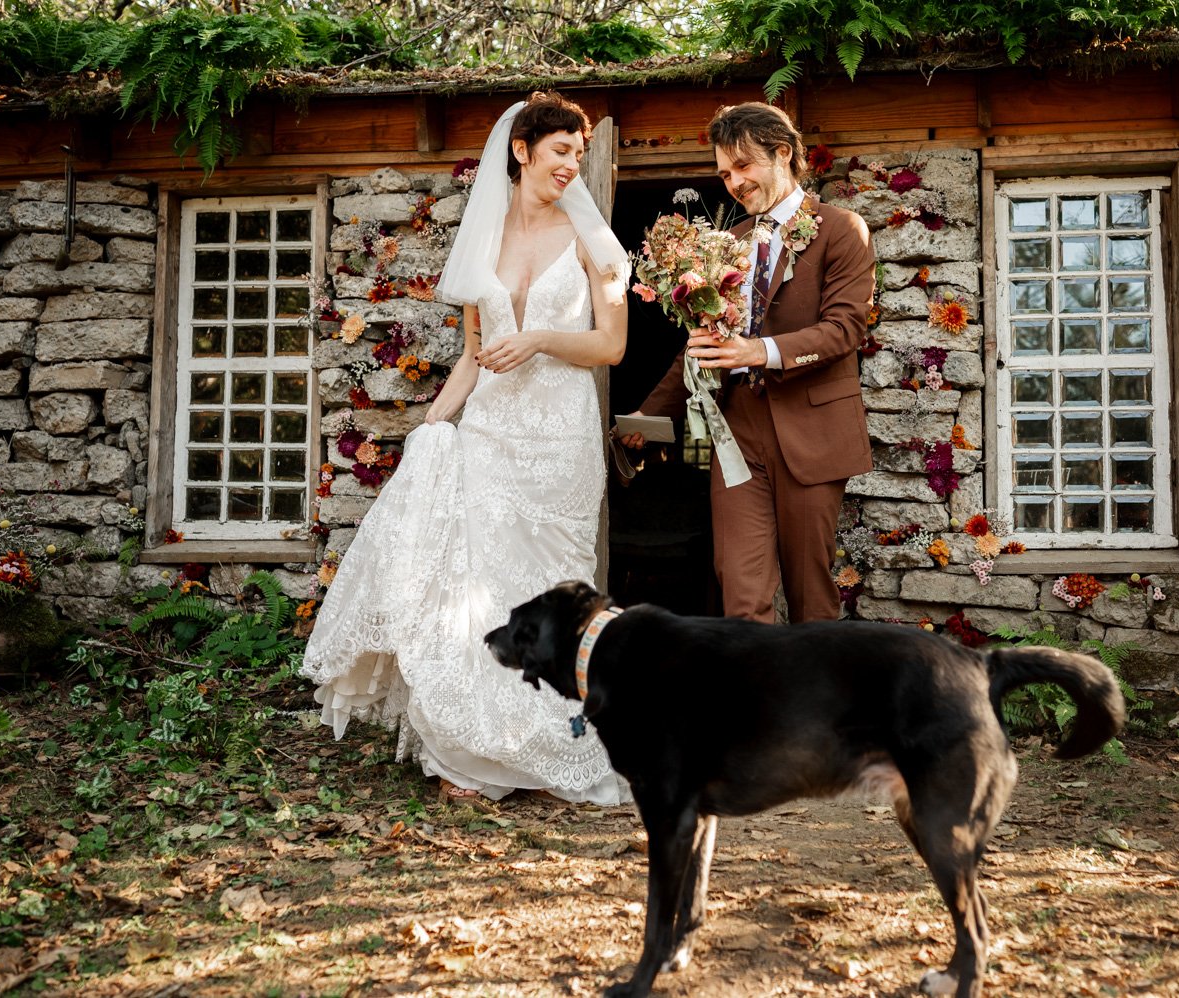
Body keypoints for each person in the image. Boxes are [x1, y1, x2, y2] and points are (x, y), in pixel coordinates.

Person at [301, 92, 632, 805]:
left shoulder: (593, 240)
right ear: (521, 153)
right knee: (478, 597)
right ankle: (475, 756)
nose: (572, 165)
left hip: (558, 441)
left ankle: (550, 754)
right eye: (560, 152)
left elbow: (612, 345)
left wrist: (542, 338)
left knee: (552, 595)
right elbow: (473, 356)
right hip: (490, 433)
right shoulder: (484, 238)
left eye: (578, 153)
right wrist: (433, 425)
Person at [622, 102, 874, 623]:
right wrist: (648, 418)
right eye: (724, 173)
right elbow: (703, 346)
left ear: (782, 154)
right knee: (740, 587)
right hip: (737, 435)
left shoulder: (842, 229)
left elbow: (845, 328)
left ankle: (816, 704)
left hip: (812, 432)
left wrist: (759, 351)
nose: (733, 182)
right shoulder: (727, 243)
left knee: (811, 595)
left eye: (742, 166)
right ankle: (751, 703)